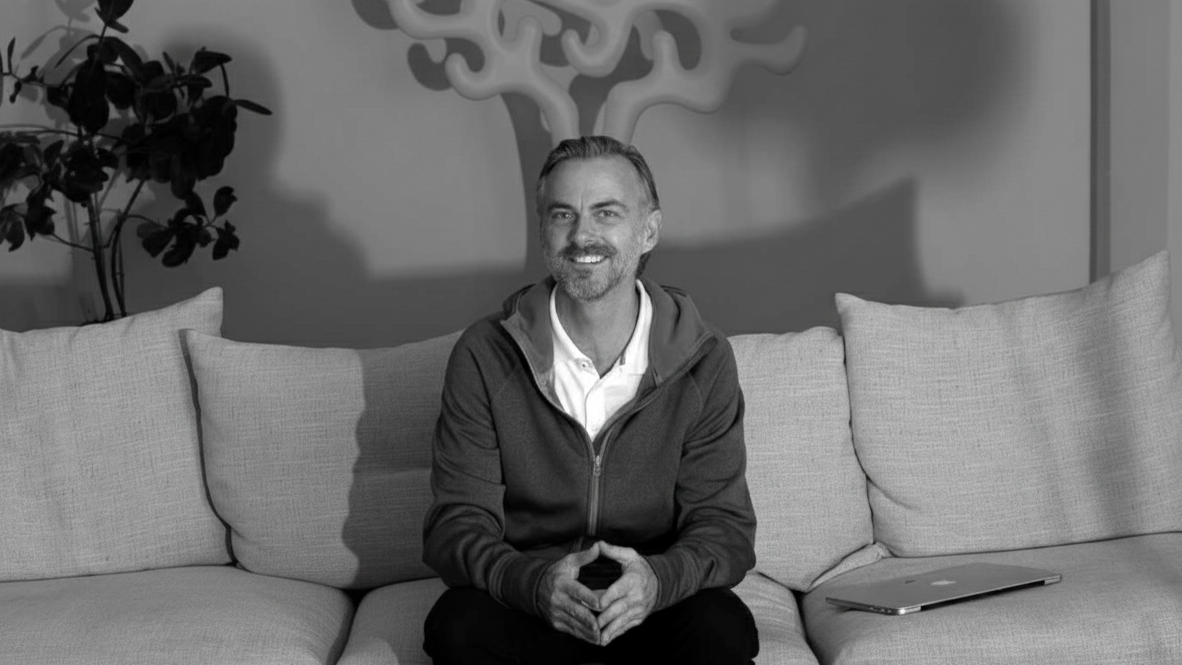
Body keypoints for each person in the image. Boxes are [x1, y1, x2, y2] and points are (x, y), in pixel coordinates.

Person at [422, 135, 758, 664]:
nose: (582, 235)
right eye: (563, 215)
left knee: (725, 630)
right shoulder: (485, 355)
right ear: (542, 232)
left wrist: (657, 582)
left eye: (606, 213)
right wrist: (534, 584)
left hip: (648, 603)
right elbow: (455, 527)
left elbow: (726, 530)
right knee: (455, 626)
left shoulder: (703, 357)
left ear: (648, 231)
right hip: (533, 601)